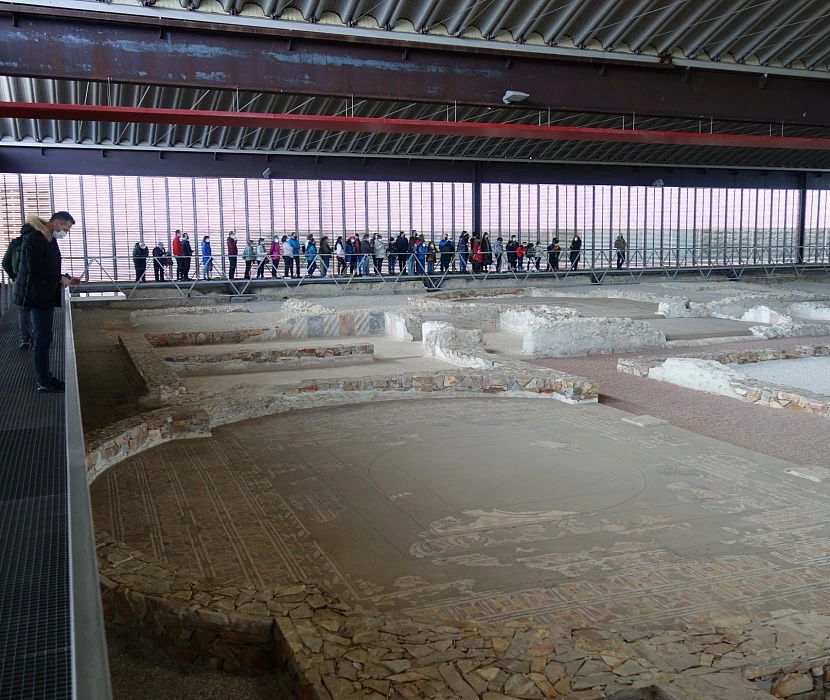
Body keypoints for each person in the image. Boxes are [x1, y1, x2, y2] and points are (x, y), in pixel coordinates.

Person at [13, 212, 80, 393]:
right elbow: (34, 269)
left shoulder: (48, 238)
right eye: (66, 228)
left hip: (42, 294)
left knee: (44, 337)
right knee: (42, 338)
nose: (66, 232)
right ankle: (44, 381)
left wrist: (67, 277)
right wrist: (58, 278)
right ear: (57, 223)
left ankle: (46, 377)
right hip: (35, 295)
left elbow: (48, 266)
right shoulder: (36, 238)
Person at [2, 231, 33, 349]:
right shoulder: (39, 242)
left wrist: (14, 276)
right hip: (36, 281)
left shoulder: (15, 243)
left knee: (23, 309)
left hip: (20, 279)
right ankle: (36, 335)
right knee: (37, 308)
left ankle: (25, 337)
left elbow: (5, 263)